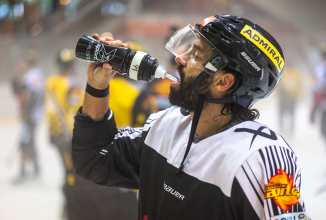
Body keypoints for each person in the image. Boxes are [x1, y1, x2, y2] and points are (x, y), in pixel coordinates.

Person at [72, 15, 310, 220]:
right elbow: (94, 158)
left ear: (223, 81)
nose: (180, 58)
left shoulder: (262, 157)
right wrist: (97, 85)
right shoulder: (165, 125)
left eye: (195, 54)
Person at [46, 48, 138, 220]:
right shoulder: (72, 84)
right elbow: (78, 108)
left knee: (69, 172)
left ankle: (68, 207)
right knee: (79, 173)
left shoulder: (50, 82)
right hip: (71, 134)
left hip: (55, 131)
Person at [11, 49, 45, 184]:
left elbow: (34, 96)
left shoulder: (34, 75)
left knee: (24, 142)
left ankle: (23, 171)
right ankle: (36, 168)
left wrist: (28, 114)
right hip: (30, 116)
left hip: (31, 116)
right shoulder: (29, 75)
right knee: (29, 142)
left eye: (23, 61)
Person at [277, 64, 301, 135]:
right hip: (284, 97)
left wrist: (297, 96)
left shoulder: (295, 74)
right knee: (281, 114)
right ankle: (282, 129)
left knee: (292, 115)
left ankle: (291, 130)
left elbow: (299, 86)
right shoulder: (285, 74)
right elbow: (279, 84)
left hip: (291, 98)